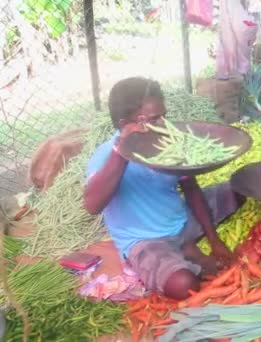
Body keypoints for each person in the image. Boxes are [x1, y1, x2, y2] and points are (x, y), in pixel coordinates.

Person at [83, 77, 238, 300]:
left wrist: (215, 240)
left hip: (183, 221)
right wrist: (123, 152)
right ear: (125, 123)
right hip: (147, 241)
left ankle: (187, 246)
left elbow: (191, 189)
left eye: (164, 116)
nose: (165, 124)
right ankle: (188, 254)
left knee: (240, 188)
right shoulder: (106, 155)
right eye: (155, 119)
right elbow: (92, 205)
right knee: (184, 284)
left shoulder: (167, 143)